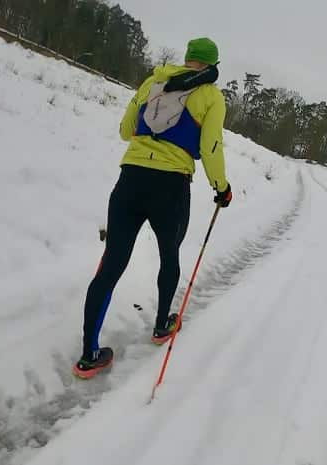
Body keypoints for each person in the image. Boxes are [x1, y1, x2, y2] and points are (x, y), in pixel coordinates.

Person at [73, 37, 233, 379]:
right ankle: (162, 326)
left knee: (111, 265)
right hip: (172, 186)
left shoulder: (153, 81)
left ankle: (89, 355)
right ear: (212, 66)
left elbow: (124, 130)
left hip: (130, 179)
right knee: (169, 255)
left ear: (188, 59)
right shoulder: (211, 96)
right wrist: (222, 188)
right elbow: (211, 147)